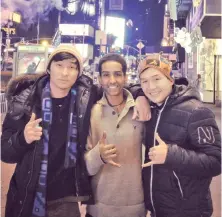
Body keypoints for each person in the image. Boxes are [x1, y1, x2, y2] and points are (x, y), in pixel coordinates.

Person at [1, 44, 150, 217]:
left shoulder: (84, 97)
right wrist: (23, 138)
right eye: (59, 65)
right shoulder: (26, 101)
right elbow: (5, 152)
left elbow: (114, 87)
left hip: (66, 199)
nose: (65, 73)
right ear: (49, 68)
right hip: (28, 195)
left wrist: (140, 96)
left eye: (72, 67)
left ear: (78, 72)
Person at [137, 54, 221, 217]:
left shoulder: (196, 112)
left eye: (156, 79)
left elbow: (216, 161)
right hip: (158, 209)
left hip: (188, 210)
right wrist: (139, 95)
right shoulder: (154, 109)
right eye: (144, 81)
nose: (151, 87)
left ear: (170, 80)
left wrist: (171, 155)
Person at [85, 54, 146, 217]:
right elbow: (83, 166)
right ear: (99, 79)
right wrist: (98, 155)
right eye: (106, 75)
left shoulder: (141, 111)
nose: (112, 80)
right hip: (99, 207)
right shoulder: (91, 113)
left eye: (117, 74)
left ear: (125, 77)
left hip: (136, 206)